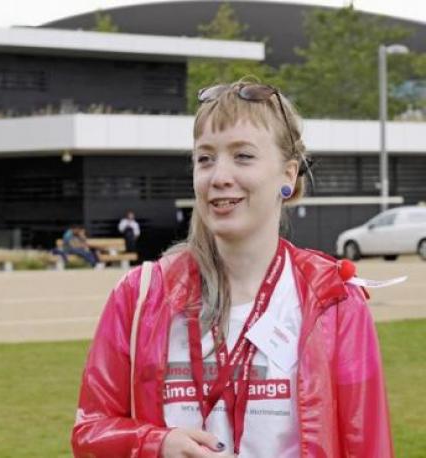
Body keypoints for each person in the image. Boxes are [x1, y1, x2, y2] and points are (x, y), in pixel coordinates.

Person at [72, 82, 392, 457]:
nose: (219, 176)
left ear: (288, 176)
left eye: (242, 156)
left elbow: (367, 446)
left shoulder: (334, 300)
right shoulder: (139, 294)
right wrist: (155, 444)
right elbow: (89, 431)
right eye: (205, 158)